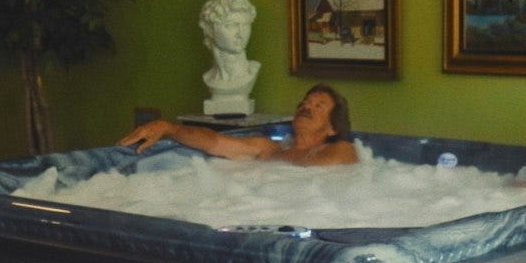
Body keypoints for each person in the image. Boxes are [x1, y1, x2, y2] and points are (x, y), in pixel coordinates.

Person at [119, 83, 358, 166]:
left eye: (319, 106)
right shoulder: (269, 148)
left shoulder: (341, 149)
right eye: (304, 103)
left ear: (332, 128)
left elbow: (317, 175)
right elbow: (215, 143)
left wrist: (270, 170)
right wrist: (169, 128)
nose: (307, 107)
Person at [199, 0, 260, 114]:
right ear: (210, 30)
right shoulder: (209, 78)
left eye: (246, 25)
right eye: (231, 25)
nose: (241, 34)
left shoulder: (252, 70)